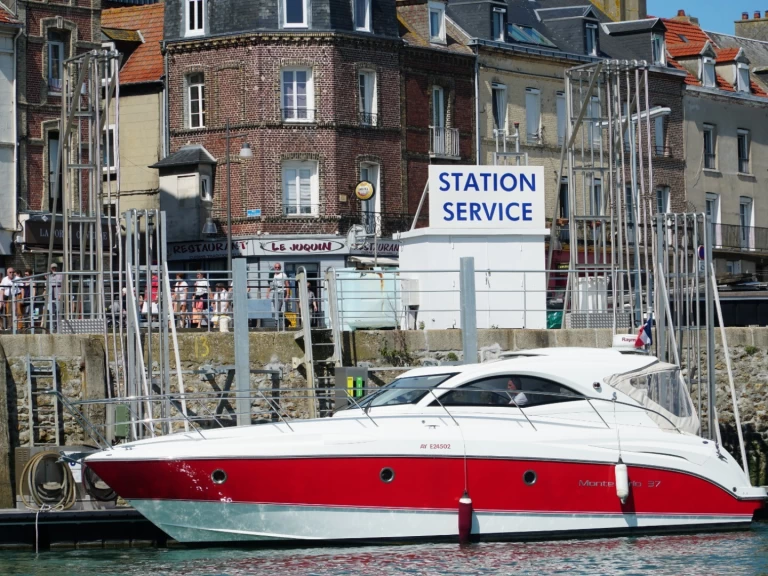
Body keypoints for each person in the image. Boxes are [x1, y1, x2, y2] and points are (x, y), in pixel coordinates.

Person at [266, 263, 288, 329]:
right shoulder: (273, 275)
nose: (277, 268)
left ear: (280, 268)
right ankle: (285, 320)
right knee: (277, 309)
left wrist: (287, 295)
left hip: (281, 292)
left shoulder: (283, 275)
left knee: (277, 309)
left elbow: (287, 284)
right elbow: (271, 285)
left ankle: (276, 323)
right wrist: (268, 292)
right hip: (275, 293)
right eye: (276, 267)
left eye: (278, 267)